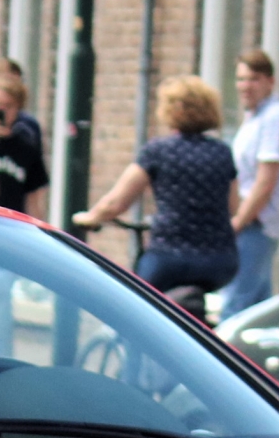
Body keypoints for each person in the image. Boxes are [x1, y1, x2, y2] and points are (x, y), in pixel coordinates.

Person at [76, 75, 238, 301]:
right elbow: (233, 206)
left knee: (135, 302)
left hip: (169, 258)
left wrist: (91, 217)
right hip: (220, 262)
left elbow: (116, 203)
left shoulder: (159, 151)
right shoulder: (223, 152)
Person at [220, 49, 279, 317]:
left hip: (256, 224)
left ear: (270, 81)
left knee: (236, 305)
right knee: (255, 306)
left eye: (253, 79)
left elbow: (266, 181)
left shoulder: (275, 117)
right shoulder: (254, 117)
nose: (245, 86)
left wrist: (238, 223)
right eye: (240, 79)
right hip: (249, 223)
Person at [0, 72, 48, 216]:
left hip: (10, 221)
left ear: (18, 108)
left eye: (8, 106)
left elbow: (33, 199)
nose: (1, 111)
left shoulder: (26, 147)